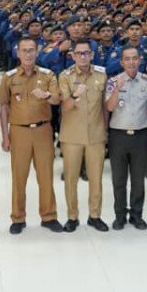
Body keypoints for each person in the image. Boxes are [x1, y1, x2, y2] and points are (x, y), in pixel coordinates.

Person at [0, 37, 63, 234]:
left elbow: (57, 99)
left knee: (46, 175)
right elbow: (4, 107)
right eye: (24, 50)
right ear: (18, 53)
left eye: (31, 50)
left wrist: (47, 95)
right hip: (19, 132)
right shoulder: (9, 77)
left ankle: (49, 216)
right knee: (19, 176)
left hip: (43, 131)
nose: (28, 54)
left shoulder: (48, 75)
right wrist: (5, 136)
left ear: (37, 52)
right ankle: (18, 217)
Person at [58, 38, 109, 232]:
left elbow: (105, 106)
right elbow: (64, 107)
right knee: (71, 179)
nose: (82, 57)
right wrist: (75, 94)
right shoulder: (65, 76)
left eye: (86, 53)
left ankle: (95, 216)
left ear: (92, 55)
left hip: (96, 135)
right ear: (73, 56)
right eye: (79, 53)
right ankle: (72, 217)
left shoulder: (102, 75)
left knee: (96, 179)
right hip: (72, 136)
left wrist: (105, 130)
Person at [104, 45, 147, 230]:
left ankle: (137, 215)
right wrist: (117, 89)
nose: (131, 62)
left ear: (139, 60)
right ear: (121, 62)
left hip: (140, 135)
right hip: (118, 136)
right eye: (127, 59)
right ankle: (120, 215)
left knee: (138, 180)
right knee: (119, 180)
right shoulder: (113, 81)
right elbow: (109, 107)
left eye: (134, 58)